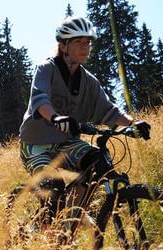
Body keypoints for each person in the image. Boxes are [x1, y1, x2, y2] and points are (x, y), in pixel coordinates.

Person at [19, 17, 151, 223]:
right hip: (36, 143)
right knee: (54, 188)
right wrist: (55, 117)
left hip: (67, 142)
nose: (86, 47)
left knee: (98, 163)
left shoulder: (89, 81)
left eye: (88, 42)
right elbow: (40, 99)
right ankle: (47, 239)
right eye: (79, 42)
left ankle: (69, 223)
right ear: (63, 45)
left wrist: (133, 124)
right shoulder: (47, 69)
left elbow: (109, 111)